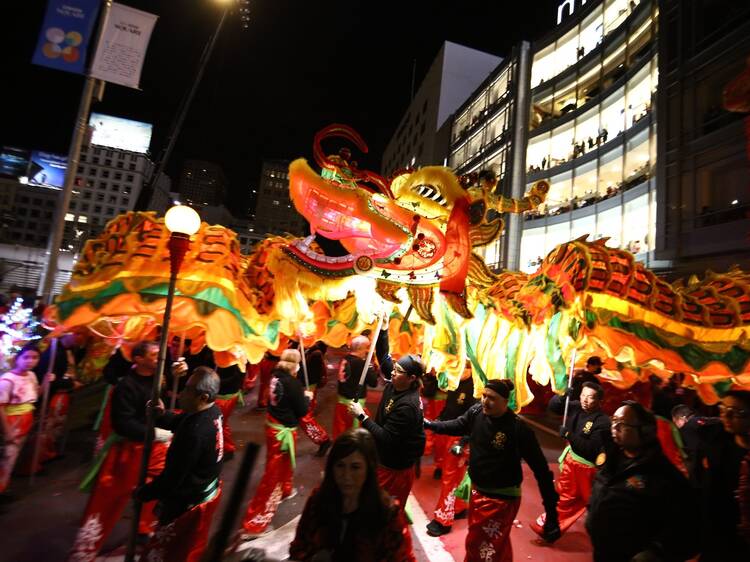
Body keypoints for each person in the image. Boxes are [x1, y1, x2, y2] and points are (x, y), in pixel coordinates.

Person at [67, 341, 187, 562]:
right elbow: (123, 423)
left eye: (161, 354)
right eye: (154, 354)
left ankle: (145, 529)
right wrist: (154, 433)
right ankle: (85, 551)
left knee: (158, 487)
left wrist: (178, 374)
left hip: (154, 450)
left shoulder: (157, 378)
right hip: (128, 450)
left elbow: (165, 402)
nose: (159, 357)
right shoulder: (126, 386)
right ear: (138, 359)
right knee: (108, 500)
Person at [425, 379, 561, 560]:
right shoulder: (476, 413)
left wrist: (551, 514)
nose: (485, 401)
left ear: (505, 401)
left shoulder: (518, 429)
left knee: (480, 544)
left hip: (501, 500)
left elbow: (542, 472)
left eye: (492, 398)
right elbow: (457, 424)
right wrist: (430, 424)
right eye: (484, 396)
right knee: (493, 543)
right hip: (478, 491)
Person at [586, 401, 698, 562]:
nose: (614, 427)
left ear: (645, 432)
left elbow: (687, 528)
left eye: (622, 424)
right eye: (614, 420)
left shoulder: (665, 476)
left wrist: (655, 553)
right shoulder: (611, 460)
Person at [136, 367, 224, 562]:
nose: (181, 394)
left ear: (203, 396)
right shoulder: (210, 411)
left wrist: (144, 493)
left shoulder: (195, 434)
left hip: (188, 499)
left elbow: (173, 478)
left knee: (172, 551)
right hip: (202, 487)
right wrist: (161, 415)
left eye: (187, 390)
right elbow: (180, 420)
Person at [289, 429, 415, 561]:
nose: (346, 476)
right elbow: (299, 548)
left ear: (369, 468)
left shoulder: (387, 513)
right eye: (340, 466)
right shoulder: (318, 501)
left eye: (355, 467)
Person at [240, 349, 312, 537]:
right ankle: (254, 523)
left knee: (284, 464)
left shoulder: (276, 375)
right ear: (296, 365)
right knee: (272, 474)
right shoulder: (293, 383)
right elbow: (302, 411)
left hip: (273, 426)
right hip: (282, 432)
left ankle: (285, 489)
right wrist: (306, 398)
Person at [532, 381, 610, 538]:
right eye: (582, 396)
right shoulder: (576, 406)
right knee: (568, 499)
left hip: (585, 469)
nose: (584, 400)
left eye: (590, 398)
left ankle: (551, 527)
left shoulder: (602, 422)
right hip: (571, 464)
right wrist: (561, 397)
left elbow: (590, 449)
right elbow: (553, 408)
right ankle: (551, 528)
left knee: (579, 501)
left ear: (599, 401)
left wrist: (569, 435)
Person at [349, 353, 426, 512]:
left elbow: (386, 437)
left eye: (397, 370)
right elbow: (384, 357)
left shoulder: (407, 406)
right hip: (382, 459)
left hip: (394, 468)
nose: (392, 372)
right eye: (395, 367)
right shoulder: (393, 386)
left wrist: (362, 416)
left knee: (384, 512)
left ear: (411, 378)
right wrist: (383, 330)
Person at [692, 391, 750, 560]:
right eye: (723, 409)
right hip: (722, 536)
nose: (727, 416)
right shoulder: (715, 450)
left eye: (737, 412)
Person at [426, 361, 476, 537]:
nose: (460, 370)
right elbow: (450, 407)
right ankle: (459, 506)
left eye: (464, 367)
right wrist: (439, 420)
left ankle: (443, 519)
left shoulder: (475, 387)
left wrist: (463, 442)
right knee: (455, 476)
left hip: (460, 439)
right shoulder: (455, 382)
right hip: (449, 433)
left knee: (450, 478)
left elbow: (474, 419)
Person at [0, 345, 41, 494]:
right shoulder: (7, 380)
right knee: (7, 458)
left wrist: (48, 382)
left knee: (13, 457)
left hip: (27, 418)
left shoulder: (31, 375)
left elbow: (35, 395)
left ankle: (4, 487)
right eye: (26, 357)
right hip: (13, 421)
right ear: (18, 358)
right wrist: (8, 431)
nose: (30, 361)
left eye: (34, 358)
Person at [334, 336, 379, 440]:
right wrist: (370, 366)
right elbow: (373, 382)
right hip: (355, 404)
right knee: (354, 435)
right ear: (360, 348)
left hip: (341, 401)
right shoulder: (362, 363)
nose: (368, 350)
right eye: (367, 347)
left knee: (341, 432)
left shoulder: (344, 359)